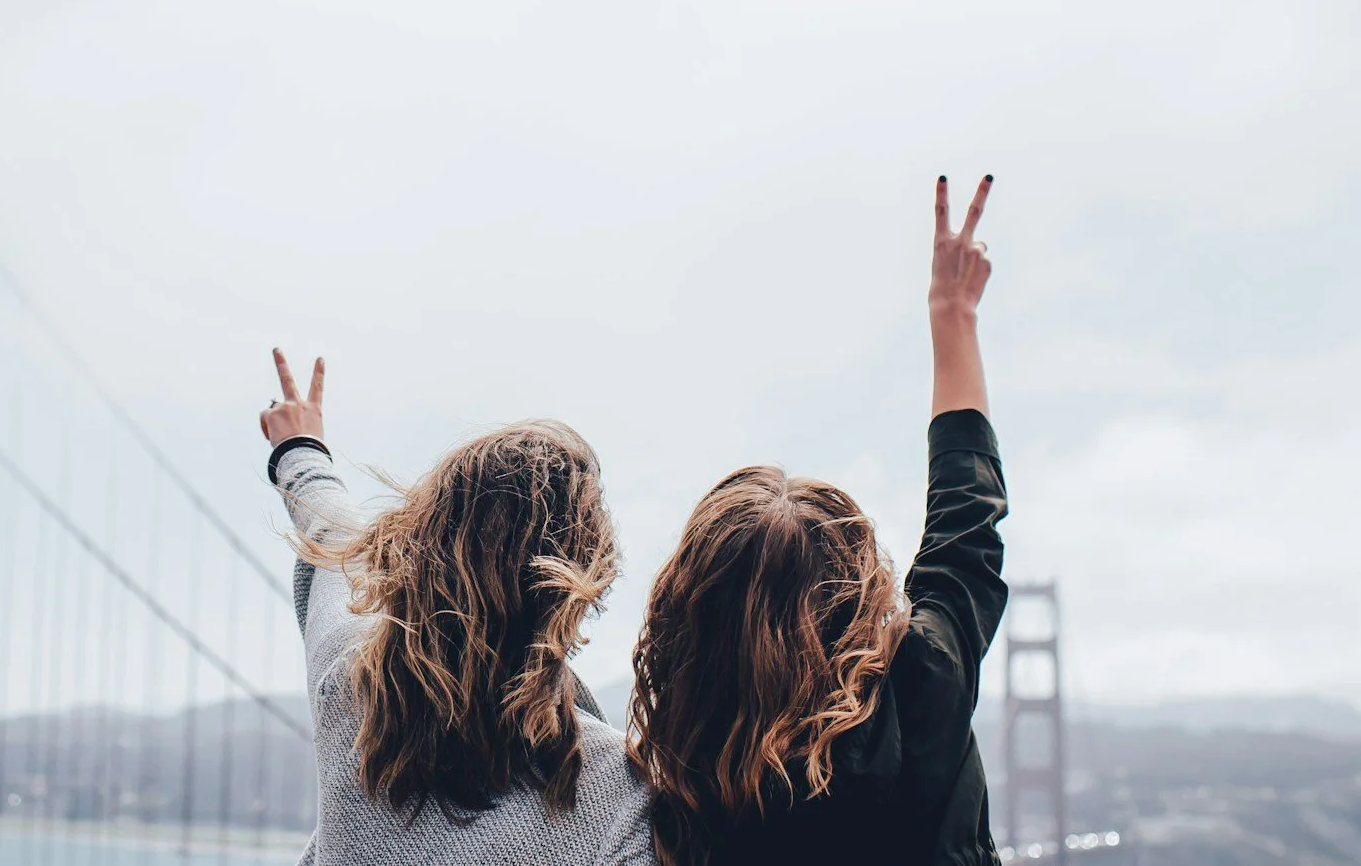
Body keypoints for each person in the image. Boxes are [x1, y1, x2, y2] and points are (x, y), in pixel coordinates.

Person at [627, 174, 1009, 866]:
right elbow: (966, 529)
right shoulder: (923, 684)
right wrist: (953, 313)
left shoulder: (681, 777)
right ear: (857, 589)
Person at [258, 349, 654, 865]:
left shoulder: (348, 684)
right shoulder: (624, 795)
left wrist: (299, 447)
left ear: (418, 543)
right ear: (583, 583)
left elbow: (331, 530)